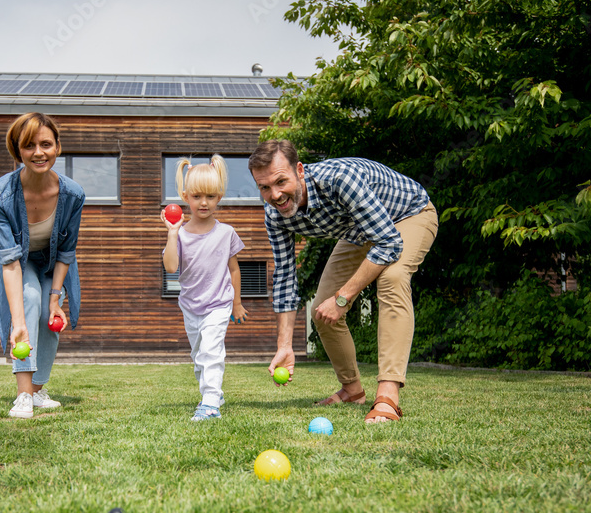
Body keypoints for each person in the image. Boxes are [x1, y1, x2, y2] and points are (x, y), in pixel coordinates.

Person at [248, 139, 438, 424]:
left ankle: (387, 395)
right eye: (264, 187)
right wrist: (284, 345)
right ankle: (352, 390)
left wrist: (343, 298)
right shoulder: (275, 214)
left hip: (408, 214)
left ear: (299, 170)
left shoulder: (339, 180)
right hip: (359, 231)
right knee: (321, 313)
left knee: (393, 278)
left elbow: (388, 244)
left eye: (280, 181)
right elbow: (286, 277)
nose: (275, 195)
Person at [0, 112, 83, 418]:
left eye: (46, 144)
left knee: (47, 315)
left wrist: (56, 298)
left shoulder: (73, 194)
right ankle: (23, 395)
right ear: (18, 150)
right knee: (28, 302)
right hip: (19, 263)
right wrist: (17, 321)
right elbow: (10, 259)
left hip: (53, 264)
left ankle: (38, 391)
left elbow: (66, 251)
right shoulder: (0, 194)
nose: (38, 152)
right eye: (29, 145)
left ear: (57, 147)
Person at [161, 154, 248, 421]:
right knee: (199, 355)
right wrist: (172, 233)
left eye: (210, 196)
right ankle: (211, 393)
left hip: (218, 304)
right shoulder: (181, 235)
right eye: (197, 196)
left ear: (219, 197)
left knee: (212, 350)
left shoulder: (226, 233)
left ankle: (210, 402)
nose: (204, 202)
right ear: (185, 196)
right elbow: (171, 267)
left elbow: (234, 270)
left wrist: (236, 303)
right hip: (190, 305)